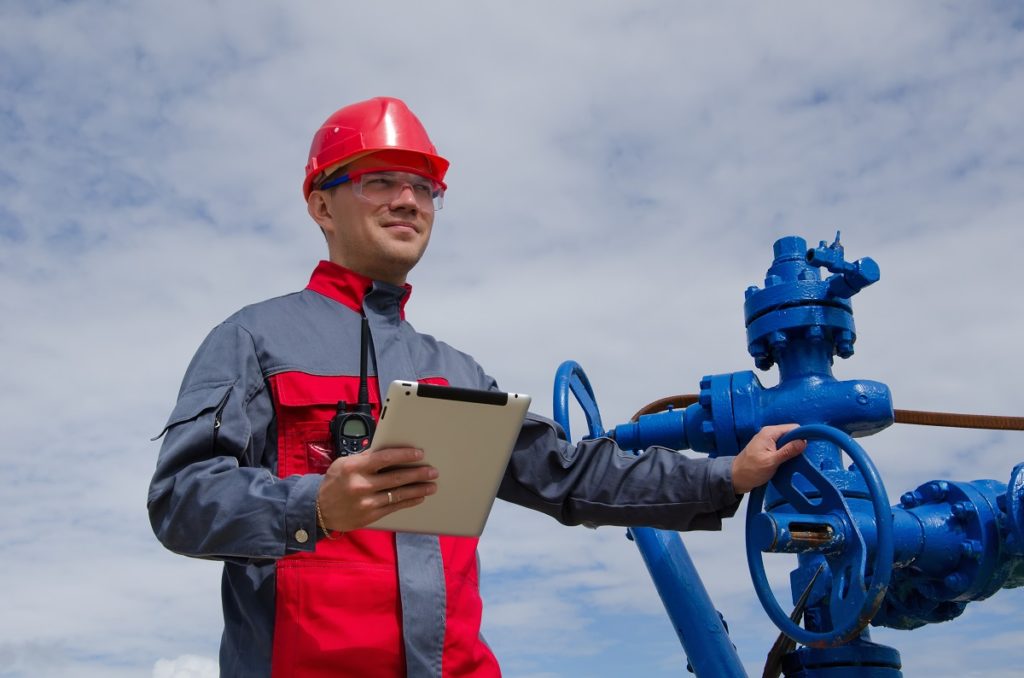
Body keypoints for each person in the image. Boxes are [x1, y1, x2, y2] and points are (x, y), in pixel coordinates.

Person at [148, 96, 806, 678]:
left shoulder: (457, 375)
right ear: (321, 203)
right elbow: (180, 502)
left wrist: (725, 476)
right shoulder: (255, 340)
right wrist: (315, 506)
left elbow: (571, 475)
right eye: (380, 181)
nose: (408, 200)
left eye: (423, 188)